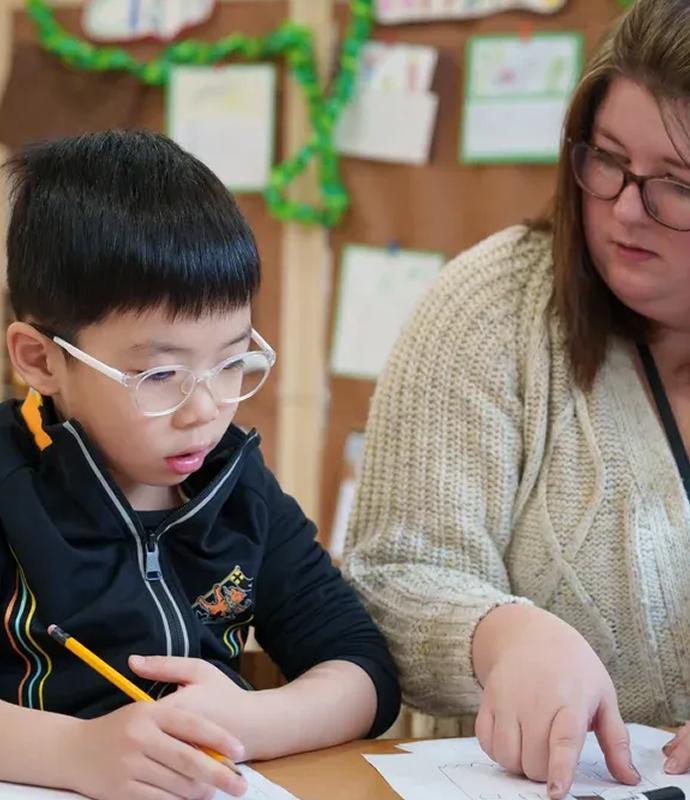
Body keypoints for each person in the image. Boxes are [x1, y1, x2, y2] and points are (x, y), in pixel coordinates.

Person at [342, 0, 690, 796]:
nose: (627, 210)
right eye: (607, 160)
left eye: (676, 185)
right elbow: (389, 576)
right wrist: (498, 635)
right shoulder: (492, 310)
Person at [0, 130, 400, 800]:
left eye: (231, 360)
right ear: (41, 360)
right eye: (160, 373)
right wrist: (74, 752)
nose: (206, 410)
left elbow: (362, 668)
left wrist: (255, 720)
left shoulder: (236, 486)